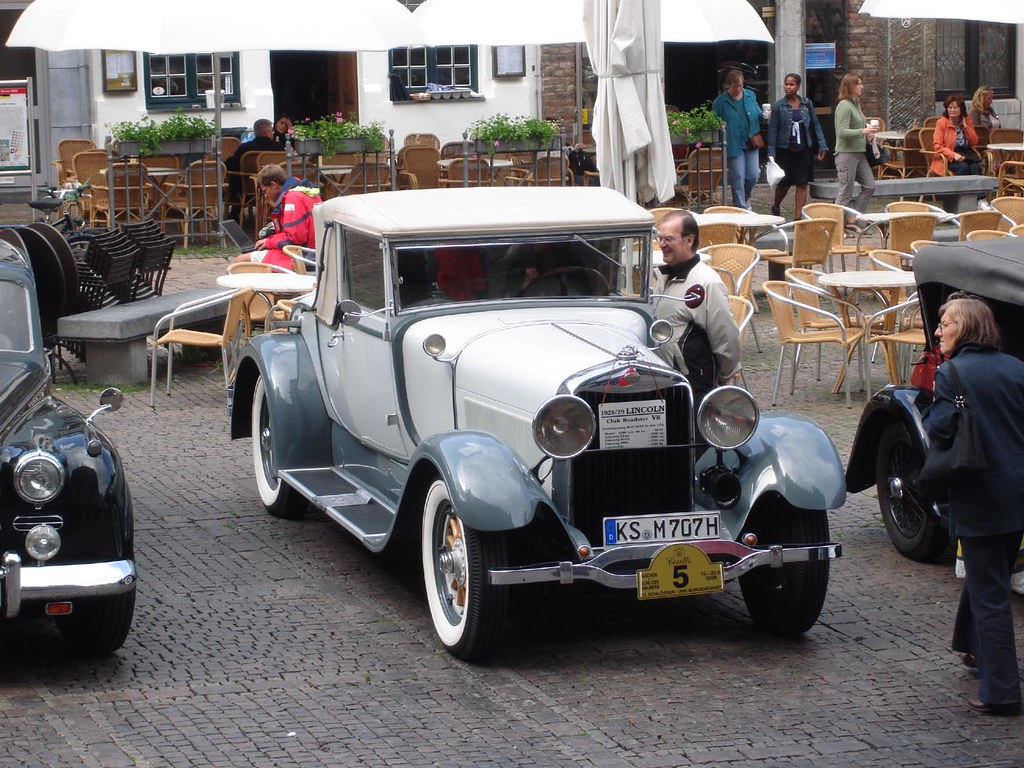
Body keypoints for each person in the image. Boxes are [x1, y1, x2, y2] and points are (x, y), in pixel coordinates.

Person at [923, 293, 1024, 716]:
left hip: (981, 495)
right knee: (990, 575)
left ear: (963, 327)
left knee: (990, 594)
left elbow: (942, 430)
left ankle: (1000, 689)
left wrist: (926, 410)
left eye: (945, 323)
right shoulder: (1017, 367)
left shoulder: (954, 375)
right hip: (1017, 494)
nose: (938, 331)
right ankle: (971, 647)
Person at [652, 210, 741, 403]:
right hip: (666, 380)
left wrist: (727, 374)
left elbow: (724, 334)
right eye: (660, 238)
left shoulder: (706, 283)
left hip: (693, 382)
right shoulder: (665, 277)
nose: (662, 244)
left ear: (689, 240)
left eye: (668, 239)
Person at [236, 164, 322, 271]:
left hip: (303, 256)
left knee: (241, 261)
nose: (266, 196)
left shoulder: (293, 199)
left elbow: (294, 238)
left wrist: (269, 242)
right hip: (314, 252)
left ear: (273, 185)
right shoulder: (304, 191)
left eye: (265, 191)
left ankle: (257, 287)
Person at [767, 73, 828, 219]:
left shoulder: (807, 104)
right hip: (785, 149)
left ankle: (798, 216)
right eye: (786, 84)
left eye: (791, 84)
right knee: (784, 184)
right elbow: (773, 129)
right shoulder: (778, 106)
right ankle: (776, 206)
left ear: (798, 86)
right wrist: (771, 151)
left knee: (802, 183)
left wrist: (822, 145)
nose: (788, 87)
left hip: (804, 147)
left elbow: (815, 124)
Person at [833, 73, 877, 234]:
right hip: (846, 154)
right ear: (850, 86)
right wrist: (863, 131)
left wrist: (868, 133)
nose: (862, 86)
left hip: (859, 153)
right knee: (845, 191)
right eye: (858, 84)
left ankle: (852, 218)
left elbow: (858, 125)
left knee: (870, 185)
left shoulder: (855, 103)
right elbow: (842, 131)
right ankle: (836, 227)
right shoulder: (844, 105)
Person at [712, 69, 762, 210]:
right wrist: (719, 127)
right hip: (733, 143)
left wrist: (765, 115)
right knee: (738, 176)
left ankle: (746, 197)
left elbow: (757, 113)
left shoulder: (750, 96)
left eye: (740, 86)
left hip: (750, 141)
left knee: (753, 174)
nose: (738, 89)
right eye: (735, 87)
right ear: (728, 86)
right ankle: (740, 206)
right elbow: (714, 121)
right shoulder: (721, 101)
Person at [225, 119, 281, 221]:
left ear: (255, 132)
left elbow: (231, 165)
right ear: (267, 133)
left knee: (235, 176)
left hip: (247, 188)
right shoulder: (278, 148)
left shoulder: (245, 148)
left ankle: (234, 214)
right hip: (272, 188)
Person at [932, 93, 981, 176]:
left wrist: (966, 127)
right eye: (950, 108)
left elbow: (974, 142)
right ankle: (961, 188)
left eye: (955, 107)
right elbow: (938, 146)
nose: (952, 110)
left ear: (961, 109)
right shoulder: (941, 123)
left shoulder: (967, 120)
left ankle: (976, 189)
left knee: (975, 167)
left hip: (966, 154)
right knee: (963, 167)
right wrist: (954, 155)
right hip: (949, 157)